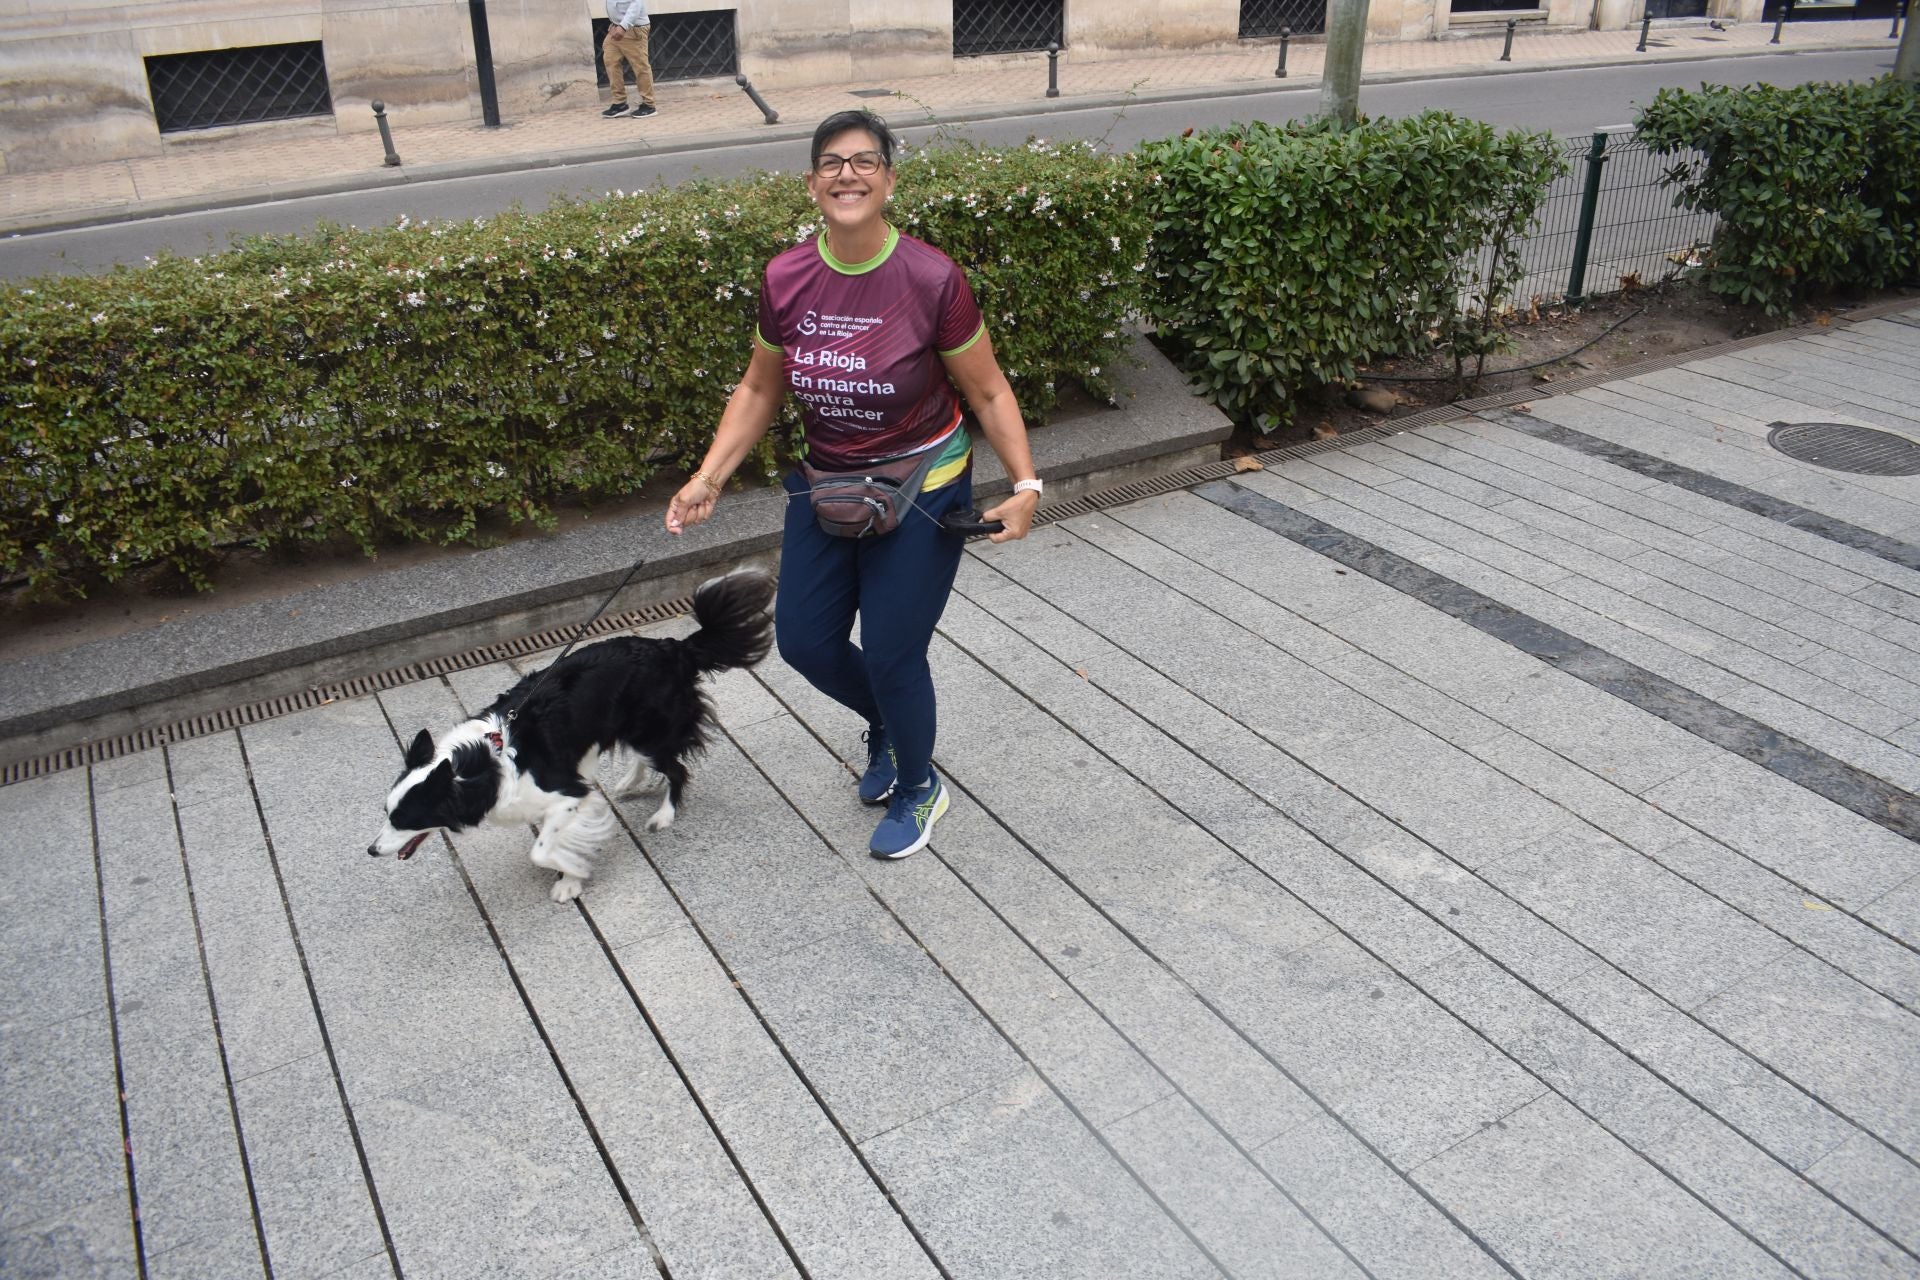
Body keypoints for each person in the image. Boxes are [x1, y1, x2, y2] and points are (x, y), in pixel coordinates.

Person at [665, 109, 1044, 861]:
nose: (848, 173)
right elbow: (759, 389)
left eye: (865, 161)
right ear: (812, 185)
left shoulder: (931, 278)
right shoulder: (787, 276)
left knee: (894, 651)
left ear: (889, 180)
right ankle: (896, 729)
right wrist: (708, 476)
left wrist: (1026, 484)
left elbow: (991, 392)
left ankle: (918, 783)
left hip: (923, 483)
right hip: (830, 481)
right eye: (832, 163)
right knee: (806, 642)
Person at [599, 0, 656, 119]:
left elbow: (636, 3)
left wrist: (623, 26)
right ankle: (619, 103)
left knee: (640, 66)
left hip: (633, 29)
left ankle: (649, 105)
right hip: (616, 27)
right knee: (610, 61)